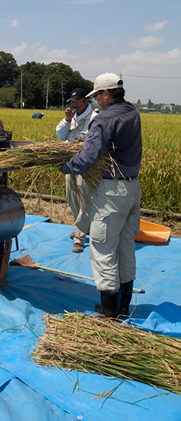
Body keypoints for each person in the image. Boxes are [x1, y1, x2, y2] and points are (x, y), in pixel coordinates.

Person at [61, 73, 142, 318]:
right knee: (125, 245)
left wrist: (66, 166)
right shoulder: (132, 113)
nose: (96, 101)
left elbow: (88, 157)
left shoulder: (104, 119)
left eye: (96, 96)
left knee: (103, 246)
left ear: (106, 93)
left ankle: (109, 313)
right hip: (132, 188)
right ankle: (124, 307)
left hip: (112, 191)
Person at [56, 88, 98, 253]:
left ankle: (79, 238)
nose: (73, 104)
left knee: (84, 202)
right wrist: (67, 120)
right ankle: (83, 227)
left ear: (86, 101)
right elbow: (60, 136)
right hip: (70, 165)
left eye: (77, 101)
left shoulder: (94, 119)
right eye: (71, 101)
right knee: (72, 199)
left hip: (86, 167)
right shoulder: (71, 118)